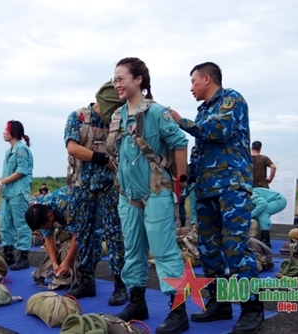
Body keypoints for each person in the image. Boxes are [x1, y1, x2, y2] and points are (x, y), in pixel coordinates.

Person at [170, 62, 262, 334]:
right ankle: (219, 303)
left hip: (231, 188)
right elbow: (199, 151)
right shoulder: (204, 111)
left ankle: (252, 307)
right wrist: (186, 179)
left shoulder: (232, 100)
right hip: (207, 190)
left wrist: (181, 121)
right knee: (209, 252)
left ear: (207, 79)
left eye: (194, 82)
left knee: (235, 249)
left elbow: (218, 131)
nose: (191, 88)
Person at [109, 57, 188, 333]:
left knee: (165, 252)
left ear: (138, 79)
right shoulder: (117, 117)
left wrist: (182, 181)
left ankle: (178, 311)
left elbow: (179, 142)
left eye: (121, 78)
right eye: (114, 79)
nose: (117, 83)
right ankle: (137, 301)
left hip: (156, 192)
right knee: (133, 250)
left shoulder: (155, 112)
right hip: (128, 196)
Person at [64, 81, 128, 306]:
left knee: (114, 237)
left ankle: (121, 285)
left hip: (110, 187)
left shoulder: (118, 121)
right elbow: (72, 148)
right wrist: (102, 159)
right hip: (83, 186)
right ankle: (86, 281)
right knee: (84, 236)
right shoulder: (78, 117)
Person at [0, 120, 33, 271]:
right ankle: (8, 255)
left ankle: (23, 257)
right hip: (9, 193)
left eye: (5, 129)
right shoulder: (9, 151)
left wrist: (2, 183)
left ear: (12, 132)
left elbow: (21, 171)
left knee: (21, 224)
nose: (3, 132)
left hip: (18, 193)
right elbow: (8, 172)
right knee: (5, 224)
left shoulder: (21, 150)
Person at [25, 186, 78, 278]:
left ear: (50, 216)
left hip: (91, 210)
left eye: (44, 227)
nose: (44, 230)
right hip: (69, 219)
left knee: (86, 246)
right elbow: (48, 238)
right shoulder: (41, 210)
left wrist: (67, 261)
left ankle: (86, 279)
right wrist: (54, 264)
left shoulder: (65, 207)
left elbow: (78, 234)